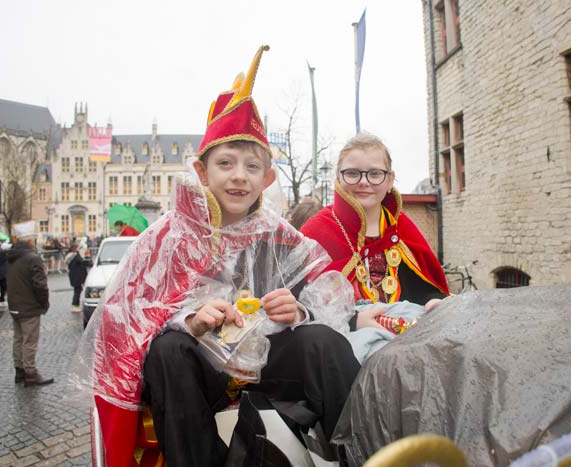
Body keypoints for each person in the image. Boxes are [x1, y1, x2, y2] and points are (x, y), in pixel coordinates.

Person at [70, 45, 360, 467]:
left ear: (268, 177)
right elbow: (130, 320)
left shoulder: (283, 238)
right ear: (202, 171)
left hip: (269, 367)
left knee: (323, 342)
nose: (239, 175)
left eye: (251, 166)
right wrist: (189, 321)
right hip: (201, 375)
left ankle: (359, 455)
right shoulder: (166, 237)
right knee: (169, 351)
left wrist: (299, 313)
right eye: (226, 163)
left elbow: (333, 306)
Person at [300, 133, 450, 362]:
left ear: (390, 181)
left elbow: (424, 287)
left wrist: (434, 301)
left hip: (405, 341)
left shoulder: (402, 227)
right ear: (338, 178)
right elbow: (302, 306)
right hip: (343, 351)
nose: (364, 181)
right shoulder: (317, 230)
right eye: (352, 173)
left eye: (375, 174)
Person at [7, 225, 53, 386]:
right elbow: (40, 285)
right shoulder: (32, 258)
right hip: (29, 306)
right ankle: (30, 373)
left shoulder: (11, 256)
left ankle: (19, 371)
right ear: (30, 240)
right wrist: (44, 303)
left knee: (18, 339)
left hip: (15, 304)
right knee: (29, 341)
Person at [65, 242, 88, 312]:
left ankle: (76, 305)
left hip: (73, 275)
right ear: (74, 248)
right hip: (77, 276)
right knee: (77, 291)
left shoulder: (69, 255)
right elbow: (82, 261)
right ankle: (75, 305)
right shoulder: (75, 256)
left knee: (77, 290)